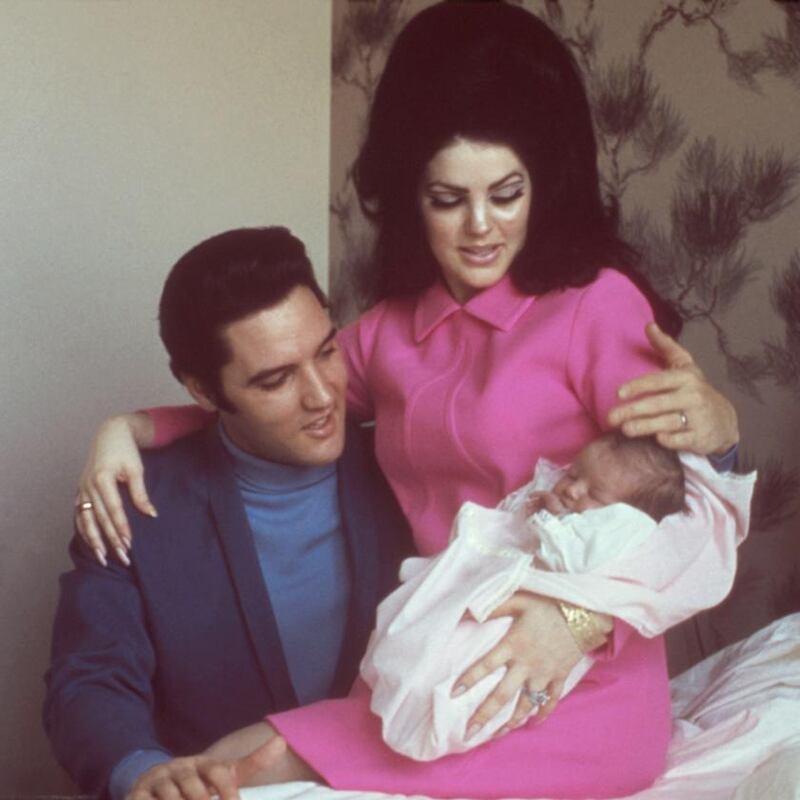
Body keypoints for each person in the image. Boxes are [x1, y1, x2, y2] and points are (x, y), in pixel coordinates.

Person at [70, 2, 741, 798]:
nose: (481, 228)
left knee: (251, 782)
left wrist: (579, 624)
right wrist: (127, 428)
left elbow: (695, 515)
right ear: (408, 195)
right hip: (427, 674)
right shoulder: (388, 335)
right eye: (447, 198)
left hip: (568, 689)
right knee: (213, 770)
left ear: (543, 183)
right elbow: (271, 398)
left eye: (507, 192)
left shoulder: (599, 308)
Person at [43, 227, 411, 800]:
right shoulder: (137, 504)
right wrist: (141, 770)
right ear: (204, 391)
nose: (321, 396)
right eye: (276, 380)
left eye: (327, 352)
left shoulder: (408, 466)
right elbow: (89, 680)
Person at [362, 433, 755, 761]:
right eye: (575, 473)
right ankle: (407, 682)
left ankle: (435, 713)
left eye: (596, 494)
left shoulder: (628, 531)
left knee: (480, 666)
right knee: (434, 627)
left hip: (555, 614)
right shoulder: (584, 501)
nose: (572, 488)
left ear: (629, 515)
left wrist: (549, 518)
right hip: (521, 593)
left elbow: (578, 559)